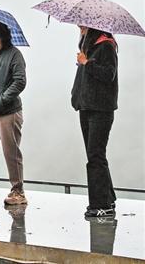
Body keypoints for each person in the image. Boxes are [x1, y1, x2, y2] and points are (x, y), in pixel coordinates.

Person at [73, 26, 118, 218]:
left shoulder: (106, 45)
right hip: (86, 106)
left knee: (95, 156)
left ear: (92, 27)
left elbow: (109, 74)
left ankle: (102, 205)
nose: (79, 27)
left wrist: (87, 63)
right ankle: (108, 198)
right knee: (95, 155)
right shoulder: (88, 47)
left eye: (82, 25)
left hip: (101, 109)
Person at [0, 19, 28, 206]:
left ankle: (18, 191)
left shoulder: (15, 55)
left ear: (0, 35)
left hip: (9, 111)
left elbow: (20, 81)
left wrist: (1, 101)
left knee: (11, 152)